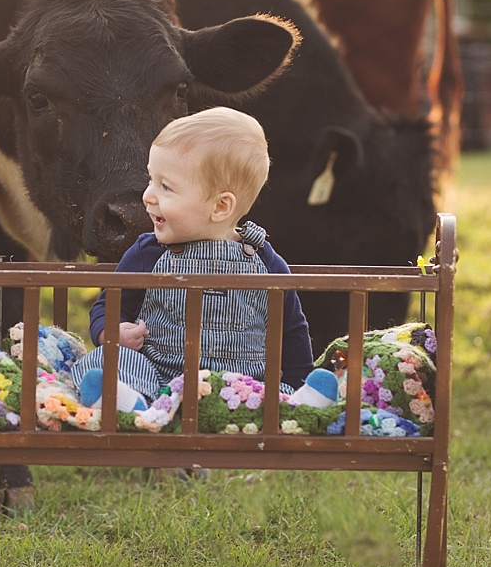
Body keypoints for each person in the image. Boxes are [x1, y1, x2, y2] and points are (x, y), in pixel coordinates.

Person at [72, 106, 315, 412]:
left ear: (220, 207)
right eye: (151, 180)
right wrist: (111, 331)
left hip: (241, 389)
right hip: (157, 380)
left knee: (277, 389)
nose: (147, 195)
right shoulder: (148, 252)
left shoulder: (264, 261)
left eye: (166, 186)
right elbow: (110, 303)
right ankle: (129, 401)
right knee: (100, 360)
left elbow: (291, 331)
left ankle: (302, 400)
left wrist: (298, 383)